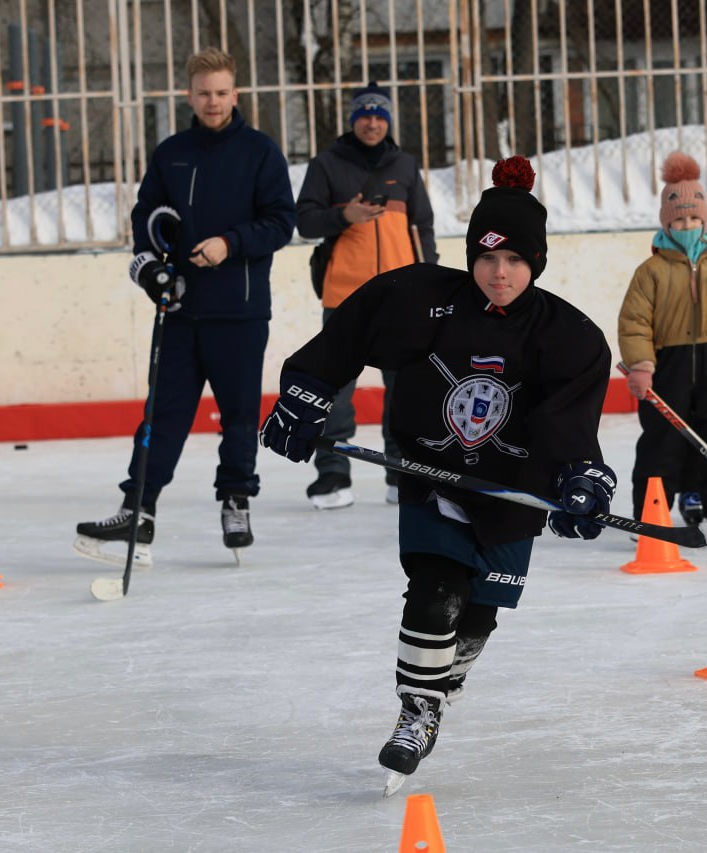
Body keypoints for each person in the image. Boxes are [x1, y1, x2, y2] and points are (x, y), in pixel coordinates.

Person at [260, 156, 614, 791]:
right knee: (435, 589)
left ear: (535, 262)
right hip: (435, 475)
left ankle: (440, 685)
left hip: (513, 493)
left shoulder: (569, 335)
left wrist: (582, 478)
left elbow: (570, 426)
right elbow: (345, 336)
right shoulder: (424, 300)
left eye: (512, 261)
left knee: (478, 616)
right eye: (485, 258)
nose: (497, 273)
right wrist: (304, 395)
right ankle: (417, 712)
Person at [74, 47, 296, 566]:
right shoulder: (172, 152)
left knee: (239, 414)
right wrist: (152, 271)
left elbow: (281, 221)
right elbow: (145, 218)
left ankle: (236, 499)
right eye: (203, 93)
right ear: (188, 95)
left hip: (238, 312)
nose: (213, 102)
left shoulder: (260, 152)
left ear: (235, 94)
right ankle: (140, 510)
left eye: (221, 93)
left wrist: (230, 243)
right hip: (179, 310)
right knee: (164, 413)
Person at [294, 82, 439, 509]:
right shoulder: (327, 165)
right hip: (346, 296)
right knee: (335, 390)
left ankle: (401, 473)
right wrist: (344, 215)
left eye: (379, 115)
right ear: (353, 119)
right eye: (364, 114)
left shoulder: (406, 167)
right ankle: (333, 476)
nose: (372, 122)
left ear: (389, 121)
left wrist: (428, 280)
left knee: (406, 390)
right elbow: (305, 221)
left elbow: (423, 227)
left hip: (401, 298)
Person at [617, 151, 707, 545]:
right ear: (667, 223)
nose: (688, 225)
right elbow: (635, 322)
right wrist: (641, 365)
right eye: (679, 220)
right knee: (662, 441)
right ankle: (652, 514)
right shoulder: (651, 272)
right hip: (669, 362)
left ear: (705, 220)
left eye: (694, 219)